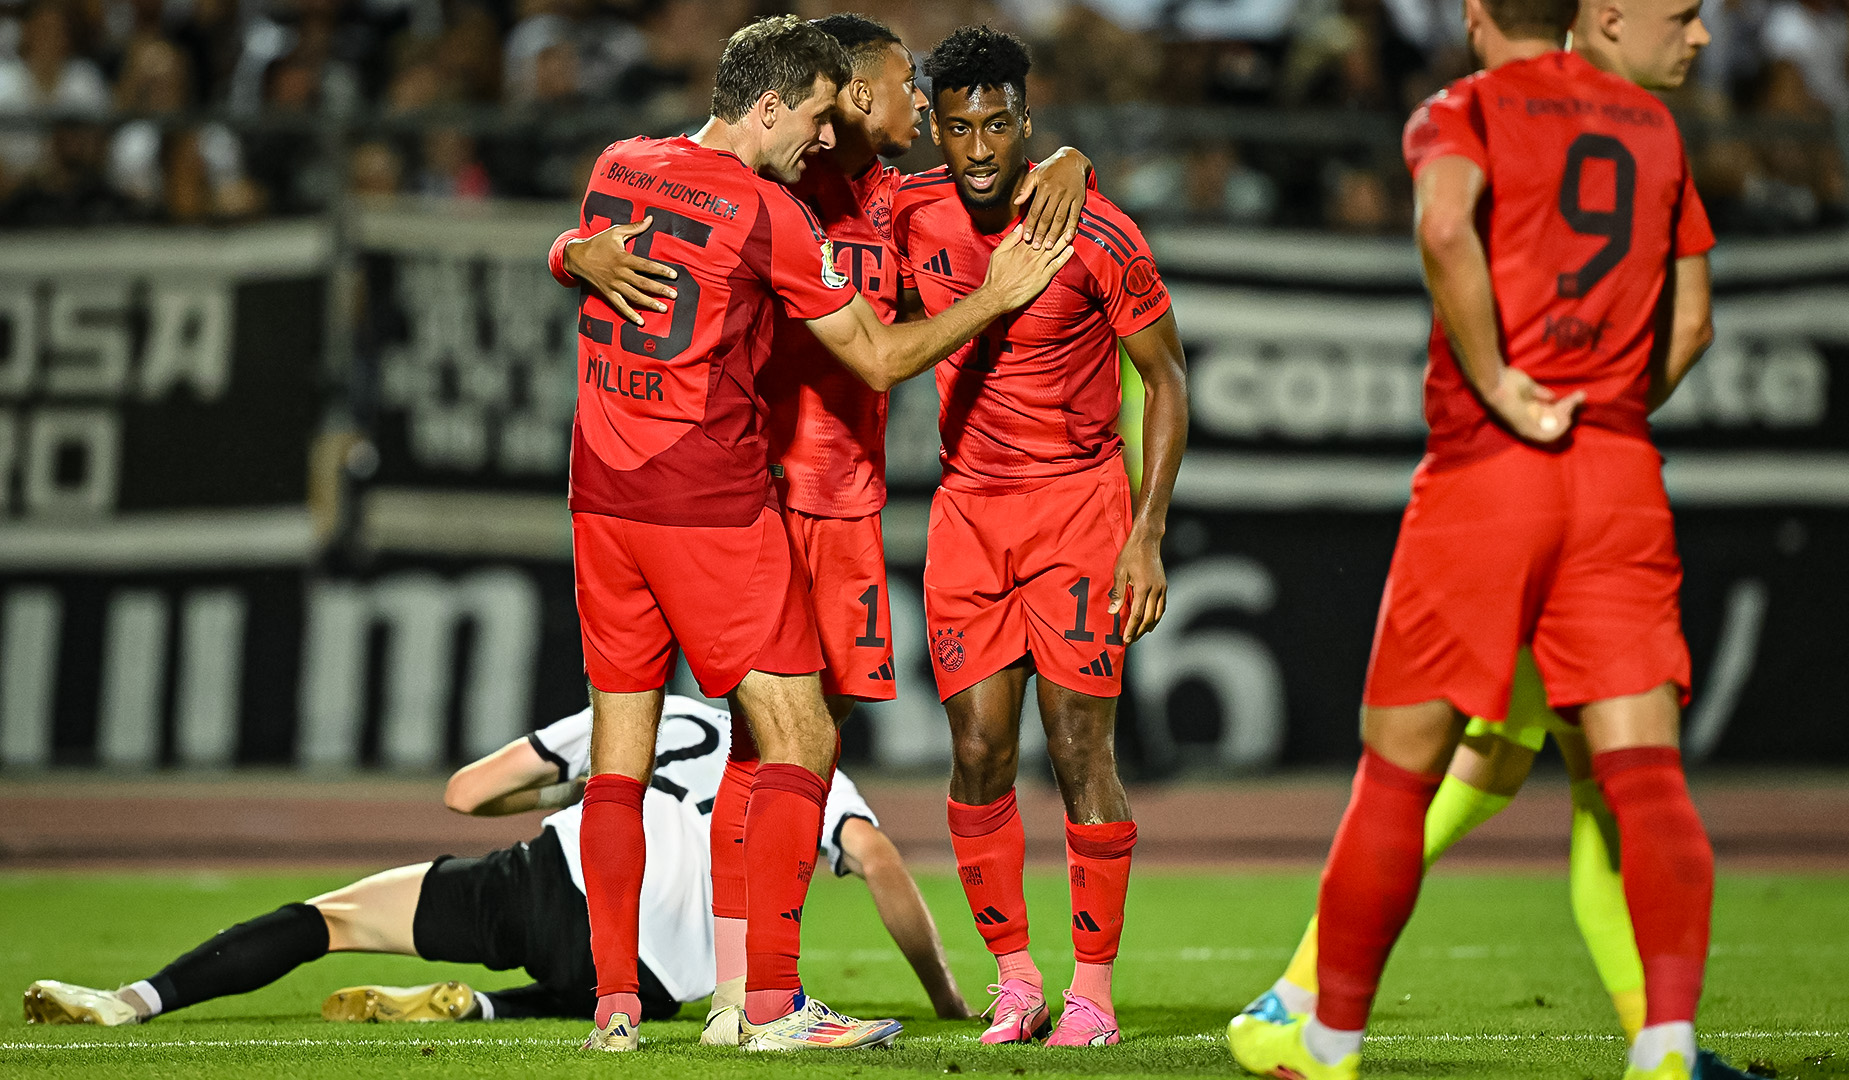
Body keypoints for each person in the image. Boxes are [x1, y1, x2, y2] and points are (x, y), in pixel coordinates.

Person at [1219, 0, 1764, 1073]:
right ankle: (1667, 1044)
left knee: (1408, 776)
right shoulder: (1655, 131)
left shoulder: (1459, 110)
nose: (1698, 38)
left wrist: (1508, 384)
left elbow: (1440, 227)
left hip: (1489, 475)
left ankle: (1316, 1030)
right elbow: (1693, 320)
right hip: (1612, 473)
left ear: (1473, 18)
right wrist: (1606, 406)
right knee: (1634, 779)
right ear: (1587, 17)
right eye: (1688, 17)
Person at [548, 12, 1093, 1048]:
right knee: (799, 739)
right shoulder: (781, 205)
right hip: (735, 499)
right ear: (790, 105)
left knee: (683, 750)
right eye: (849, 93)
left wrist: (1067, 155)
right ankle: (766, 999)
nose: (859, 109)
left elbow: (605, 228)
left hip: (626, 496)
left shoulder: (641, 161)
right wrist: (999, 295)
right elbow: (881, 357)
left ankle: (646, 1003)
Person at [22, 697, 971, 1028]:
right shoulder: (801, 761)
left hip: (559, 885)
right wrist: (940, 998)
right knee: (623, 993)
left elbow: (466, 792)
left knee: (332, 920)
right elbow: (880, 861)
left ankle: (136, 1000)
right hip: (667, 976)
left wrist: (580, 790)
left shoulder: (646, 710)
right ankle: (485, 1008)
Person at [887, 25, 1190, 1048]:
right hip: (968, 516)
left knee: (1077, 749)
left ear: (1029, 121)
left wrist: (1147, 534)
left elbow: (1168, 382)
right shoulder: (907, 214)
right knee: (976, 751)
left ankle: (1093, 994)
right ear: (935, 122)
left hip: (1079, 510)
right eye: (961, 124)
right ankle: (1016, 980)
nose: (979, 147)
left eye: (1000, 123)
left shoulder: (1096, 231)